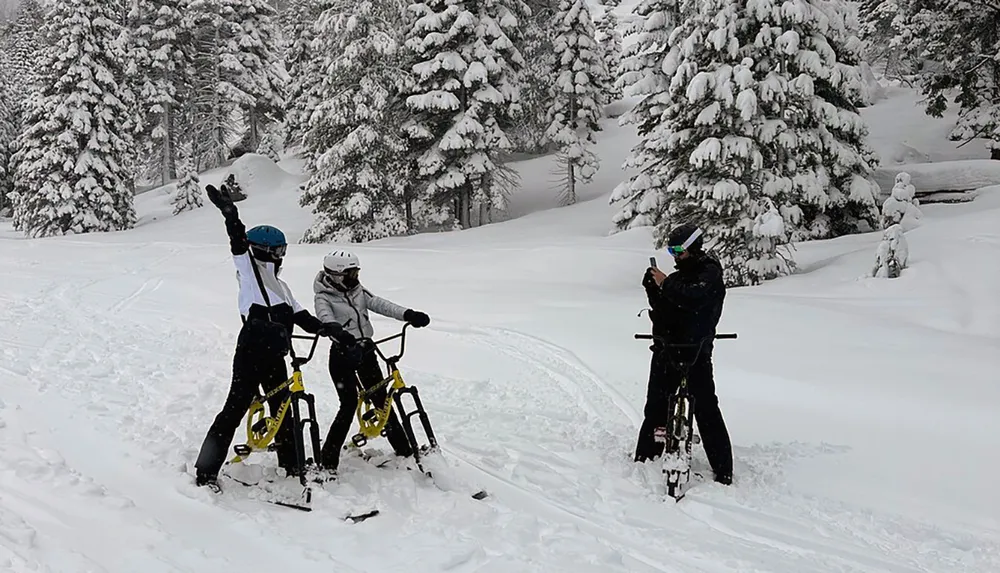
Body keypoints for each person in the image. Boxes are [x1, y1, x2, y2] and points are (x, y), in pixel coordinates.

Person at [193, 182, 355, 492]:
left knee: (284, 407)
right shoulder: (249, 269)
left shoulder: (281, 285)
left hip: (276, 352)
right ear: (266, 250)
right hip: (251, 352)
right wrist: (231, 214)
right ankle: (206, 473)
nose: (282, 256)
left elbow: (301, 316)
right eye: (279, 251)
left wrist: (332, 331)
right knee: (234, 409)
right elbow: (238, 243)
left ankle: (292, 465)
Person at [313, 249, 431, 473]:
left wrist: (408, 314)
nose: (355, 279)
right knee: (348, 405)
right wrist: (339, 333)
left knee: (382, 401)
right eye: (350, 274)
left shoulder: (358, 291)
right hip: (342, 354)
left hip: (366, 351)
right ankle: (327, 461)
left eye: (356, 273)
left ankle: (404, 450)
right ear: (336, 275)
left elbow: (379, 303)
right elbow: (325, 318)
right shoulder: (323, 297)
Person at [634, 223, 734, 485]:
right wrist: (653, 290)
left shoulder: (709, 272)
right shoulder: (677, 277)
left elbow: (694, 298)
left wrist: (664, 283)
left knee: (706, 408)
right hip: (667, 347)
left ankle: (723, 470)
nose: (675, 255)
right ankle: (647, 457)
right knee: (656, 405)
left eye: (679, 249)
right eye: (671, 250)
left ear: (693, 246)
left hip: (696, 349)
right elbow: (667, 307)